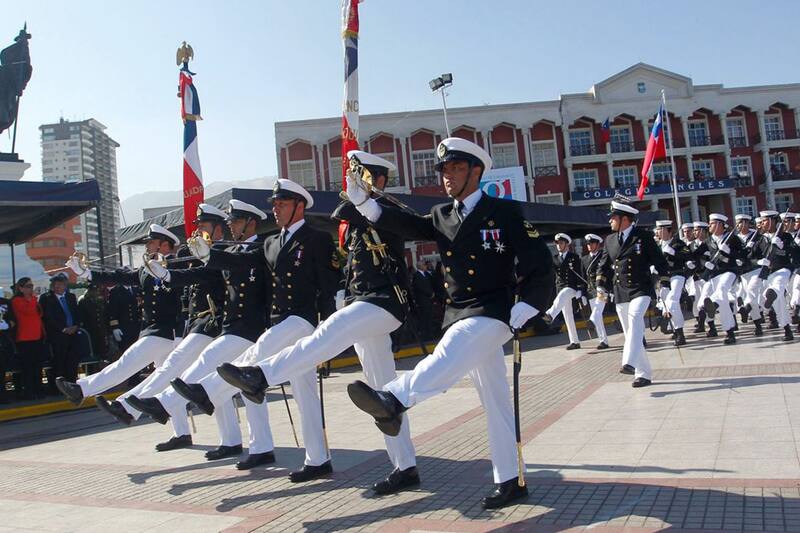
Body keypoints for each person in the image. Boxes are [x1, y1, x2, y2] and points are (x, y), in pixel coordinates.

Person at [322, 138, 553, 508]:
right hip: (458, 311)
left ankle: (395, 398)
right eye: (444, 170)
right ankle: (511, 480)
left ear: (476, 172)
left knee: (450, 352)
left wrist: (531, 303)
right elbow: (408, 225)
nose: (447, 177)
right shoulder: (443, 215)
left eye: (456, 169)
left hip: (492, 312)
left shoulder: (504, 212)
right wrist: (365, 203)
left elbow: (539, 261)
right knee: (495, 400)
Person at [217, 151, 421, 491]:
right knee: (384, 394)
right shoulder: (353, 216)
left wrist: (366, 204)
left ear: (380, 180)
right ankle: (405, 466)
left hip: (384, 305)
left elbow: (392, 224)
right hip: (360, 302)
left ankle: (261, 375)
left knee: (330, 331)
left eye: (363, 175)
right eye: (353, 175)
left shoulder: (389, 212)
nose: (355, 181)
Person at [129, 200, 272, 467]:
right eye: (230, 221)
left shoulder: (259, 247)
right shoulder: (228, 249)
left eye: (236, 221)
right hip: (232, 325)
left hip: (252, 326)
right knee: (246, 389)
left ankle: (165, 403)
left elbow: (241, 266)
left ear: (250, 222)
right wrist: (168, 275)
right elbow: (201, 274)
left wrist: (208, 254)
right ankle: (258, 446)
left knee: (211, 363)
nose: (232, 225)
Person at [93, 203, 229, 453]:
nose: (147, 247)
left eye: (203, 226)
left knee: (184, 375)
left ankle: (129, 406)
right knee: (188, 378)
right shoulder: (158, 267)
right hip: (192, 326)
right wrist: (91, 274)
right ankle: (194, 434)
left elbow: (190, 284)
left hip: (191, 329)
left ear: (165, 245)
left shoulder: (185, 261)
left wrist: (168, 275)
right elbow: (126, 277)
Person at [55, 224, 181, 405]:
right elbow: (120, 277)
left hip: (167, 331)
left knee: (127, 363)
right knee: (166, 383)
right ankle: (181, 431)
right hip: (153, 330)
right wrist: (86, 272)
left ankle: (82, 389)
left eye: (152, 242)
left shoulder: (178, 265)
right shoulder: (148, 269)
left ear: (164, 245)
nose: (147, 246)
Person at [596, 200, 670, 388]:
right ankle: (643, 374)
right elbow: (603, 265)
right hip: (620, 291)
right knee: (631, 332)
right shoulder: (610, 240)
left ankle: (628, 362)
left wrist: (664, 282)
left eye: (613, 217)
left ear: (625, 219)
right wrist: (600, 284)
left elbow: (659, 260)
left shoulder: (642, 237)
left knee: (636, 318)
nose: (611, 221)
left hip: (641, 288)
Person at [696, 214, 743, 344]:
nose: (709, 226)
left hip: (730, 271)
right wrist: (704, 262)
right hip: (713, 274)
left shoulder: (732, 239)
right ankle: (729, 332)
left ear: (719, 224)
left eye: (711, 224)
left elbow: (743, 254)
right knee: (718, 299)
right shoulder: (708, 241)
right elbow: (696, 255)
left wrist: (729, 252)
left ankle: (714, 304)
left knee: (722, 290)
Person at [39, 273, 83, 388]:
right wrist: (63, 329)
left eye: (61, 284)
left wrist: (76, 326)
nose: (58, 287)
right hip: (58, 335)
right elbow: (48, 317)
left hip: (72, 334)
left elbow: (77, 313)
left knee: (73, 360)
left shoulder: (71, 297)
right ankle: (57, 388)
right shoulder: (47, 298)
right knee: (59, 362)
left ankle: (72, 385)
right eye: (56, 284)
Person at [756, 210, 795, 341]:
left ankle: (771, 293)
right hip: (769, 272)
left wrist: (781, 248)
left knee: (778, 286)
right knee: (779, 300)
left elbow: (794, 254)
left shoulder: (785, 236)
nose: (762, 223)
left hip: (783, 269)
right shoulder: (761, 239)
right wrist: (758, 261)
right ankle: (787, 329)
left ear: (773, 221)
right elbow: (750, 257)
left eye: (765, 220)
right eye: (761, 221)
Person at [542, 233, 584, 350]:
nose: (558, 246)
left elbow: (579, 274)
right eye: (557, 243)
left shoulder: (574, 257)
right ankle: (574, 341)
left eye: (561, 243)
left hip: (572, 287)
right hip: (560, 288)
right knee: (568, 316)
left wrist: (580, 289)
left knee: (565, 293)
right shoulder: (554, 258)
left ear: (567, 244)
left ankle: (550, 314)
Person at [654, 220, 691, 346]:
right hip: (664, 277)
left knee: (673, 299)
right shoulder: (657, 246)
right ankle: (674, 329)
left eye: (660, 229)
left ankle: (680, 334)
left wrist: (674, 252)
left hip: (677, 274)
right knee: (665, 303)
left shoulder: (678, 243)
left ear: (667, 230)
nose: (657, 232)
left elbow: (687, 256)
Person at [10, 277, 46, 399]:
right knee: (28, 367)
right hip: (25, 338)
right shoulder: (17, 301)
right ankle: (29, 392)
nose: (31, 288)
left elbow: (40, 313)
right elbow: (29, 311)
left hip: (37, 336)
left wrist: (33, 298)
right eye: (28, 286)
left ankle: (38, 389)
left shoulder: (33, 300)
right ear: (20, 288)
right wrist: (33, 298)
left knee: (37, 365)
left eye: (31, 286)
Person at [581, 233, 609, 349]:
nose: (589, 246)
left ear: (598, 244)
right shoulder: (584, 259)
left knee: (597, 309)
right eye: (588, 244)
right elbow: (583, 277)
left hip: (603, 289)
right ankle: (603, 341)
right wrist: (582, 293)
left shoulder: (603, 256)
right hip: (591, 290)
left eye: (592, 243)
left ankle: (591, 321)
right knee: (598, 315)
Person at [78, 283, 108, 360]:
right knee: (91, 352)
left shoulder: (100, 300)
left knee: (103, 351)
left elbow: (104, 315)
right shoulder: (83, 301)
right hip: (90, 330)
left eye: (96, 290)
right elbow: (81, 317)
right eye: (93, 290)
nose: (96, 292)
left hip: (101, 330)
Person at [411, 259, 436, 342]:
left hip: (428, 301)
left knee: (429, 318)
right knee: (424, 319)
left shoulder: (426, 275)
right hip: (422, 301)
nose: (426, 266)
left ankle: (430, 334)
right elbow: (420, 287)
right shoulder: (417, 276)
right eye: (424, 265)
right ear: (420, 266)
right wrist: (430, 293)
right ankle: (425, 336)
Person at [0, 294, 13, 403]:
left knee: (2, 370)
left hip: (3, 342)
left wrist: (7, 324)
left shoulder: (6, 302)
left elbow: (13, 320)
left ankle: (2, 395)